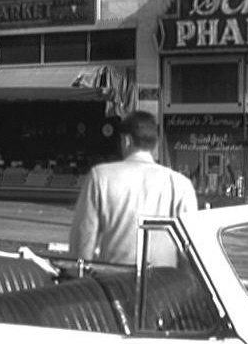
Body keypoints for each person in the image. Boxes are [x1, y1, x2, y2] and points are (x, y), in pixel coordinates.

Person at [69, 111, 198, 265]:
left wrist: (80, 276)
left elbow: (83, 239)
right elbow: (191, 246)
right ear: (155, 144)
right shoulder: (180, 184)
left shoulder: (101, 176)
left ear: (126, 140)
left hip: (114, 282)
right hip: (164, 284)